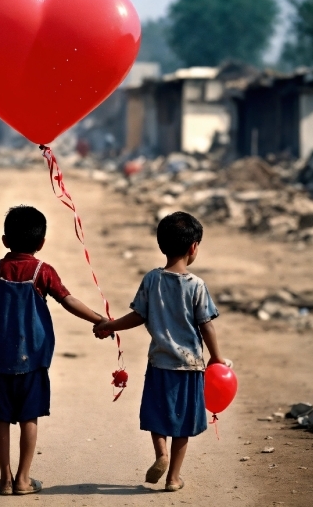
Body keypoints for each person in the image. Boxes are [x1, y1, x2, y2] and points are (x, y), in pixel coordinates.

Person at [93, 211, 227, 492]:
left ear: (161, 245)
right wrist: (216, 357)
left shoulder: (152, 280)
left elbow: (137, 316)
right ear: (193, 248)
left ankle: (160, 455)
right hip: (190, 367)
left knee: (158, 415)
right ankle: (173, 477)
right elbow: (207, 327)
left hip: (159, 364)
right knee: (183, 425)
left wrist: (110, 325)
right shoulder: (196, 286)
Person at [0, 205, 107, 495]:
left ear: (4, 240)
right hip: (33, 359)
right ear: (41, 243)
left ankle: (4, 480)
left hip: (0, 358)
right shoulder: (42, 271)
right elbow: (67, 300)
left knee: (1, 418)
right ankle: (23, 480)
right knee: (29, 418)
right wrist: (100, 320)